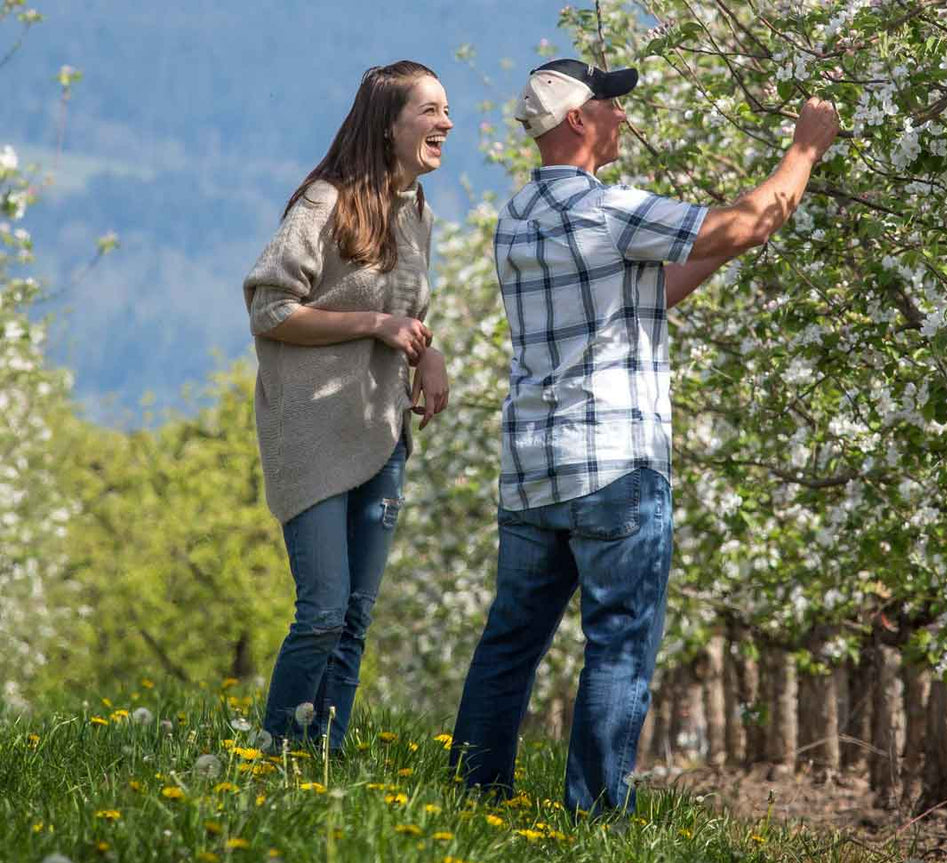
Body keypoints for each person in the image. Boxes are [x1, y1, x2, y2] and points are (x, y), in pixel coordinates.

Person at [449, 56, 839, 815]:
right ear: (577, 120)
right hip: (614, 470)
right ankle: (594, 817)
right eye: (611, 106)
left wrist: (714, 247)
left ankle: (472, 799)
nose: (623, 116)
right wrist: (806, 148)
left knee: (508, 647)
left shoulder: (516, 217)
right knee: (619, 645)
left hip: (532, 469)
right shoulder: (609, 212)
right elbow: (756, 218)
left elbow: (647, 290)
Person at [243, 60, 453, 753]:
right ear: (387, 124)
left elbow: (407, 316)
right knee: (323, 612)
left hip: (379, 432)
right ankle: (273, 755)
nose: (445, 124)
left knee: (356, 617)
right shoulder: (323, 204)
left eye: (445, 111)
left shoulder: (419, 215)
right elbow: (270, 308)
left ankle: (323, 764)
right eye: (429, 111)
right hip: (311, 432)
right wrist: (372, 326)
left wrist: (427, 353)